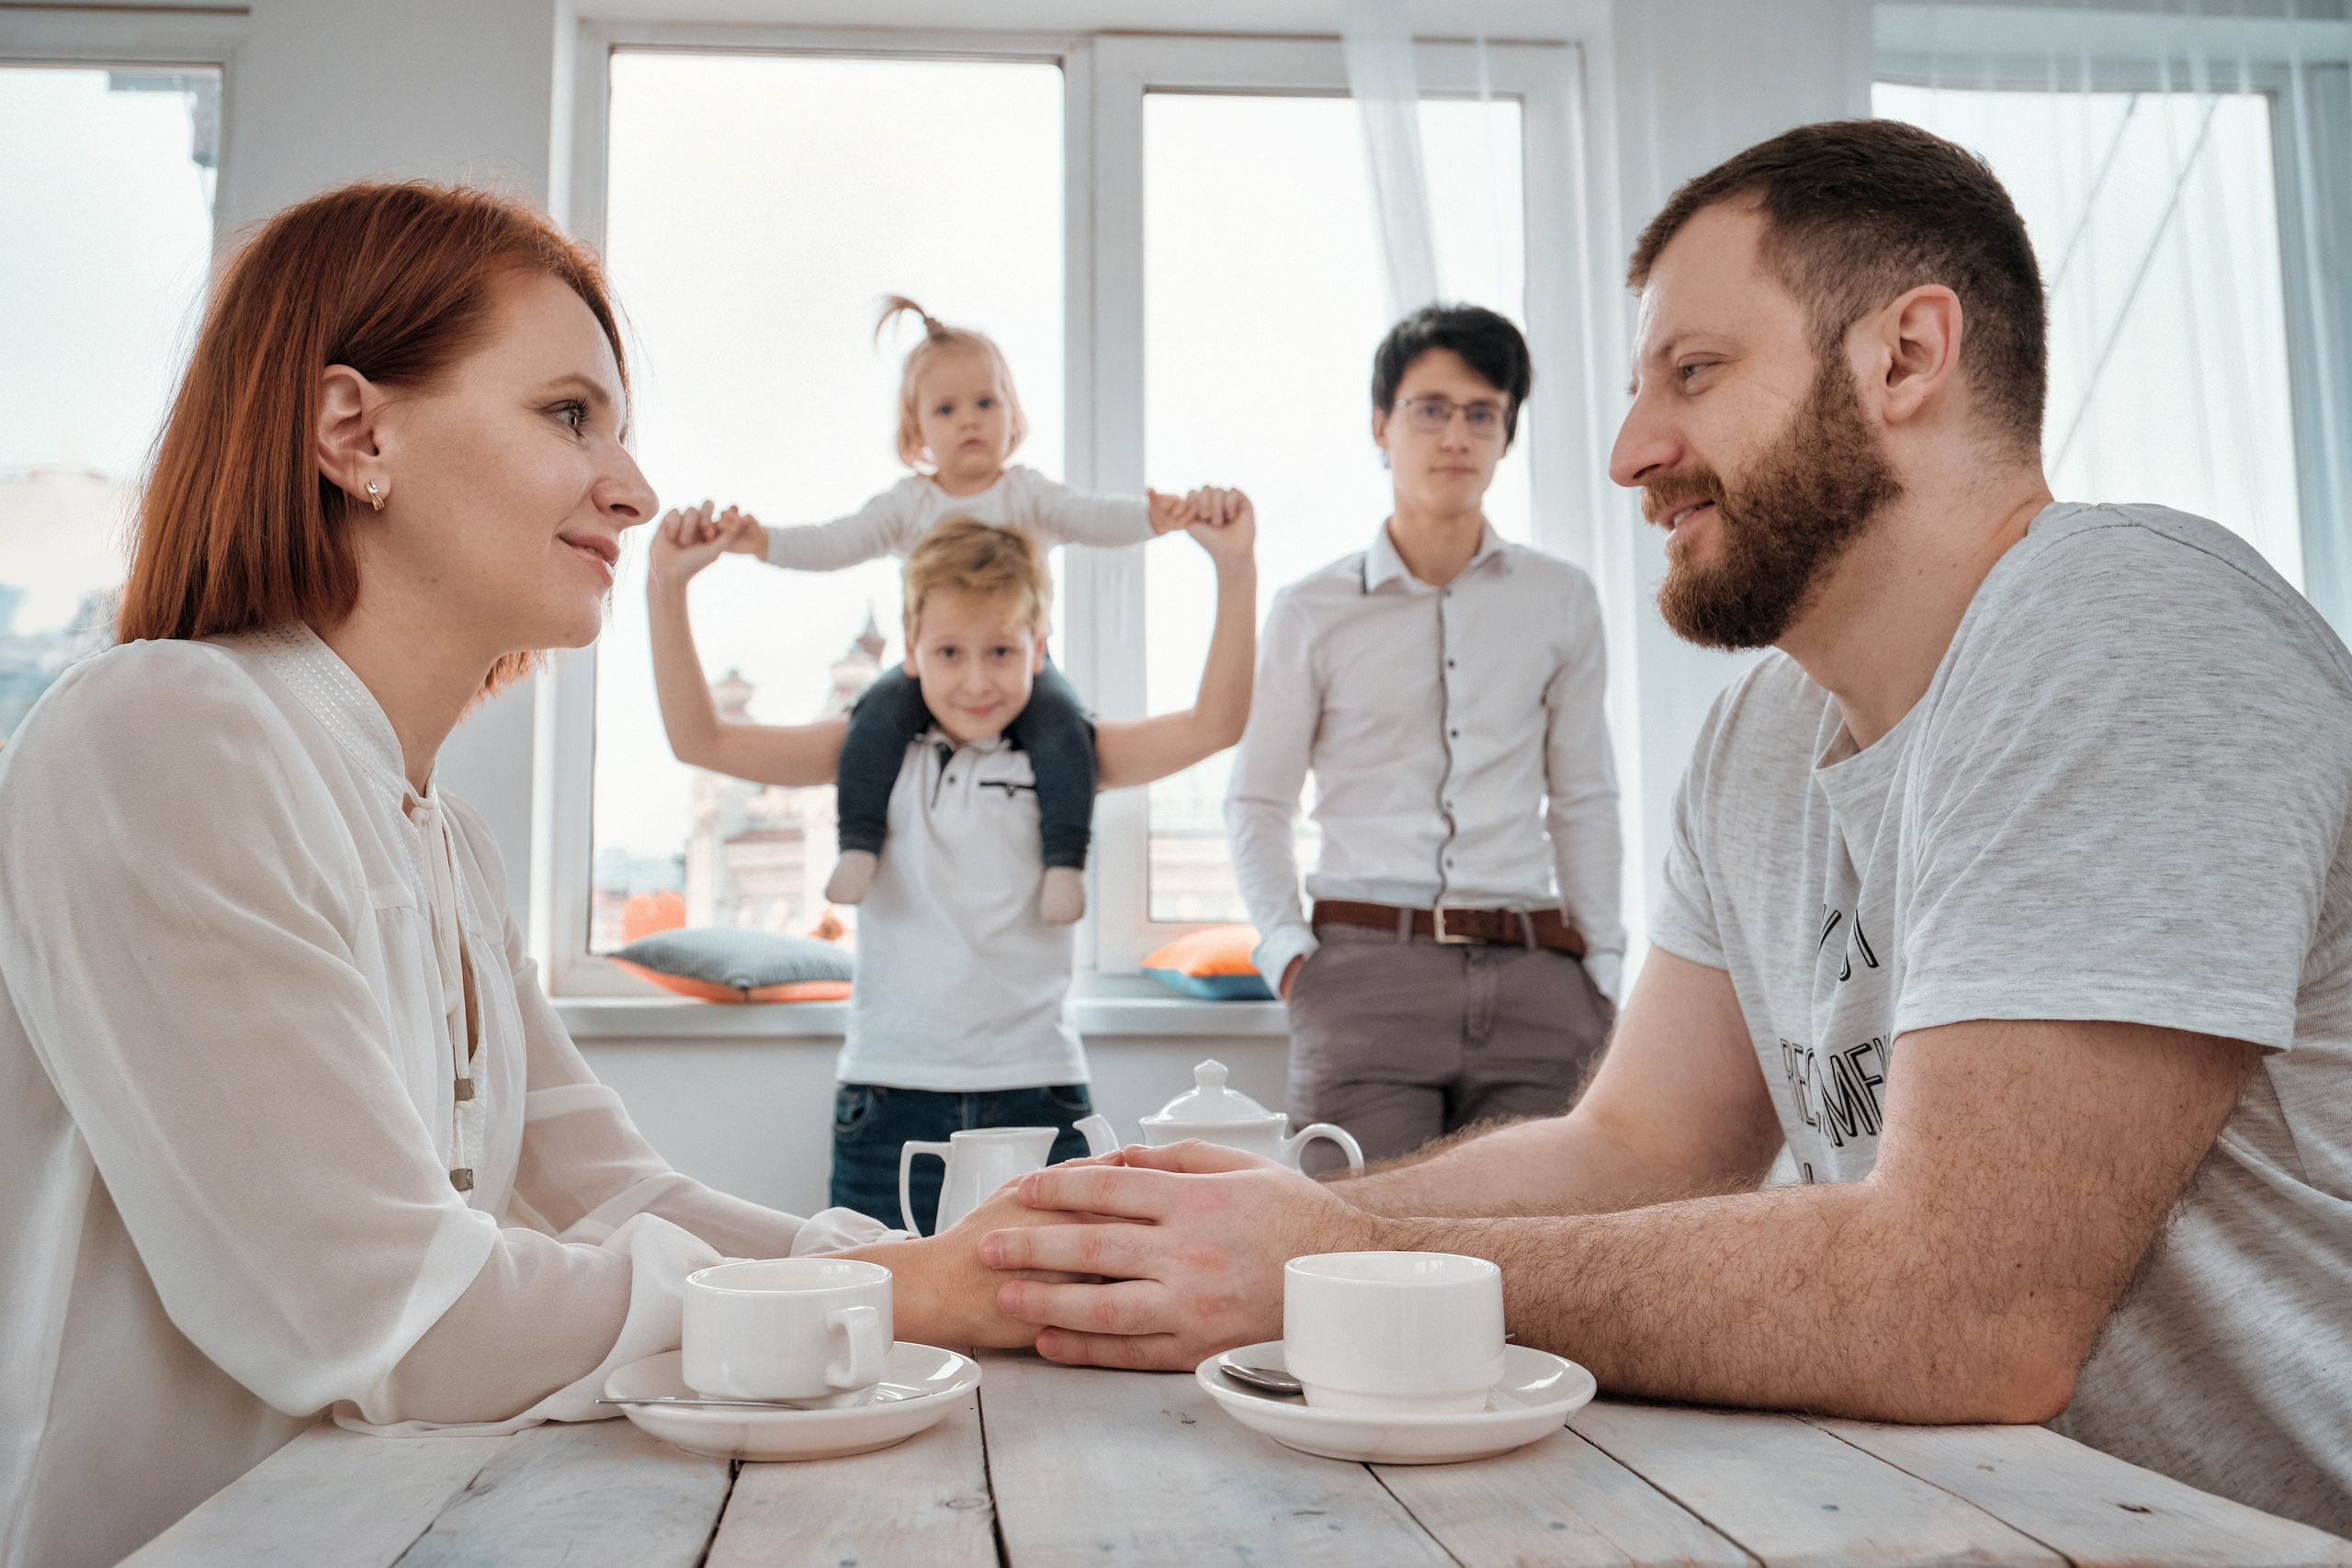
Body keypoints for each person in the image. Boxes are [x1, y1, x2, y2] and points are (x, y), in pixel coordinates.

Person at [976, 119, 2352, 1537]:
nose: (1634, 453)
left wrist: (1338, 1260)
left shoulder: (2130, 630)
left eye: (1693, 373)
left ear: (1905, 355)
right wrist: (1282, 1222)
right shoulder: (1762, 735)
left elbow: (1967, 1303)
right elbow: (1638, 1146)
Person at [0, 183, 1082, 1568]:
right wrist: (889, 1286)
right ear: (356, 431)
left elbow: (608, 1190)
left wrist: (929, 1262)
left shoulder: (448, 841)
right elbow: (406, 1316)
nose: (630, 487)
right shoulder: (156, 729)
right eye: (569, 416)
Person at [647, 497, 1259, 1232]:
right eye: (949, 653)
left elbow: (1214, 724)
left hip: (1040, 1090)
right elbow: (701, 740)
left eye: (1000, 651)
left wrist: (1233, 565)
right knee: (883, 1317)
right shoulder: (868, 752)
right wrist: (667, 585)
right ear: (911, 649)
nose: (975, 681)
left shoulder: (1071, 753)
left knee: (1051, 1325)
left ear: (1039, 647)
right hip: (889, 1095)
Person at [1226, 305, 1621, 1170]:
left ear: (1507, 433)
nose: (1457, 434)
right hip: (1365, 975)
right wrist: (1294, 959)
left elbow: (1583, 795)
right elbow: (1256, 800)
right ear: (1381, 425)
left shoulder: (1559, 599)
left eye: (1483, 412)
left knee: (1550, 1266)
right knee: (1355, 1254)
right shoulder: (1311, 610)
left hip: (1536, 973)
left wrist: (1602, 964)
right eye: (1430, 408)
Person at [703, 296, 1201, 926]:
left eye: (985, 403)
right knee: (873, 719)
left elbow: (1093, 515)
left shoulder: (1028, 494)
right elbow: (836, 540)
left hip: (1021, 665)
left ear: (1011, 413)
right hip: (928, 667)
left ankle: (1065, 862)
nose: (969, 419)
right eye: (946, 408)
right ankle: (858, 843)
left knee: (1066, 731)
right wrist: (764, 541)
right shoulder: (909, 505)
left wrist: (1154, 517)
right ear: (917, 433)